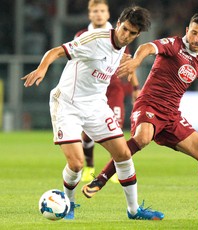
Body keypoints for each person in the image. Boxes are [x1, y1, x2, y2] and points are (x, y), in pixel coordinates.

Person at [82, 13, 198, 221]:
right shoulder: (173, 45)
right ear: (187, 30)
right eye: (193, 33)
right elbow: (147, 47)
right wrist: (136, 62)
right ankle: (100, 180)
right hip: (148, 106)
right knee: (142, 138)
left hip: (171, 116)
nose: (196, 39)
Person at [22, 6, 164, 221]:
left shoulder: (123, 50)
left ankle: (134, 211)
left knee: (124, 154)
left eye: (132, 33)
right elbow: (56, 51)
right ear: (118, 23)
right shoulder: (94, 39)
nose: (126, 35)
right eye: (124, 29)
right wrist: (42, 68)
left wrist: (135, 86)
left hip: (96, 105)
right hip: (67, 104)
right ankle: (68, 205)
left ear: (137, 35)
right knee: (77, 164)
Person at [75, 0, 140, 183]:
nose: (98, 14)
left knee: (115, 129)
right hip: (90, 90)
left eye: (102, 10)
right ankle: (89, 166)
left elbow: (128, 64)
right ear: (90, 14)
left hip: (113, 89)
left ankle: (114, 169)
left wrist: (135, 87)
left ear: (108, 14)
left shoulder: (121, 34)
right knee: (87, 131)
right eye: (95, 11)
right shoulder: (82, 35)